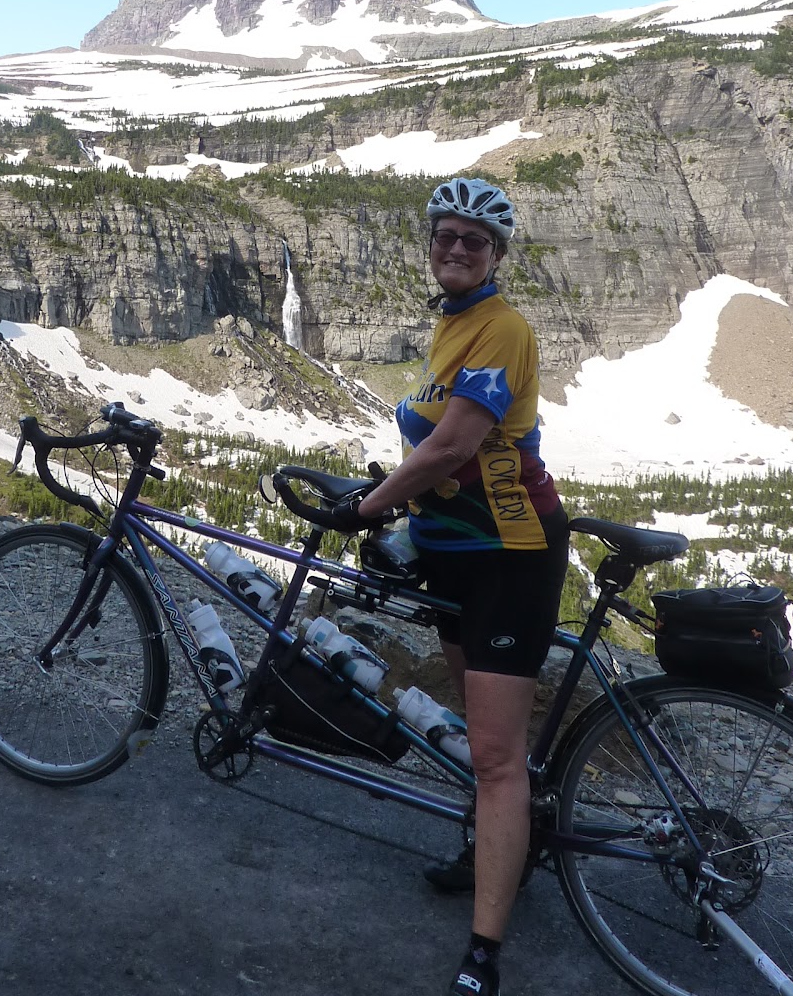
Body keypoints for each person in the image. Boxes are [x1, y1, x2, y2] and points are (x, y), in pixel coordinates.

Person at [338, 177, 568, 996]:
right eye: (446, 235)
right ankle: (498, 850)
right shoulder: (454, 321)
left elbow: (452, 446)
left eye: (475, 240)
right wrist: (401, 518)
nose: (457, 248)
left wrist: (366, 508)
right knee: (483, 734)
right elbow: (435, 453)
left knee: (497, 759)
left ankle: (483, 953)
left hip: (511, 554)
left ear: (497, 254)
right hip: (455, 554)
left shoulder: (502, 326)